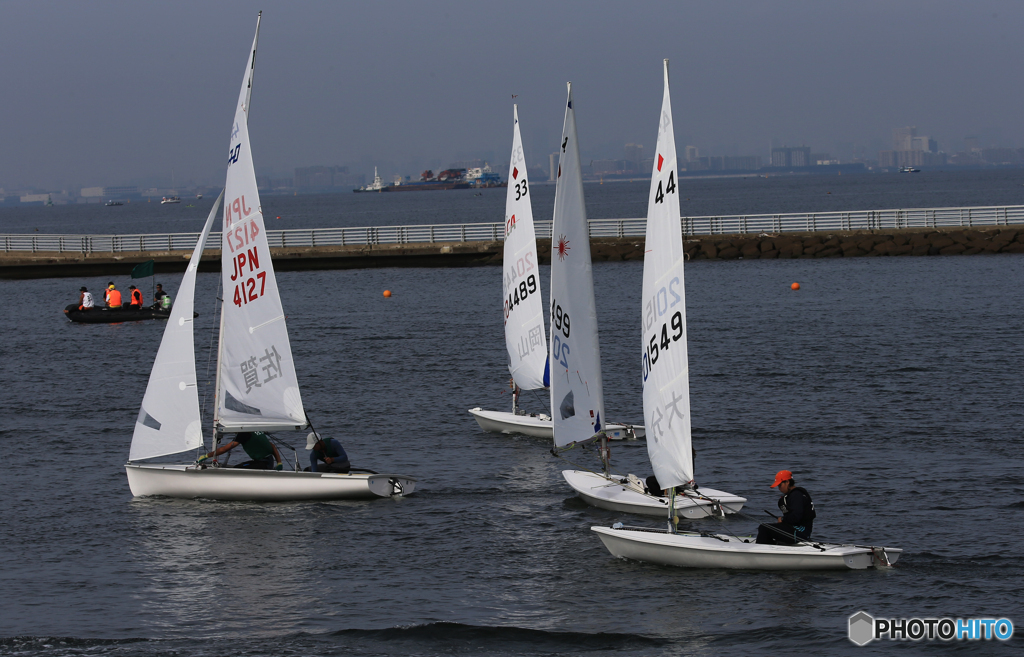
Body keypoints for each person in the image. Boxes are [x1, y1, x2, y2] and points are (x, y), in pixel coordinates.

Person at [755, 470, 816, 545]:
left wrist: (783, 519)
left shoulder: (796, 495)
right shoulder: (796, 494)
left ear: (787, 482)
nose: (779, 488)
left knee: (764, 528)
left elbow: (796, 517)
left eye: (780, 485)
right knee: (769, 528)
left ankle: (762, 551)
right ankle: (772, 547)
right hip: (799, 531)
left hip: (800, 532)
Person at [199, 431, 283, 470]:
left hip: (263, 464)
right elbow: (272, 446)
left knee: (236, 469)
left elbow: (224, 449)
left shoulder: (244, 434)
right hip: (268, 462)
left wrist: (206, 456)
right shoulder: (255, 430)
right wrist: (279, 462)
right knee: (239, 467)